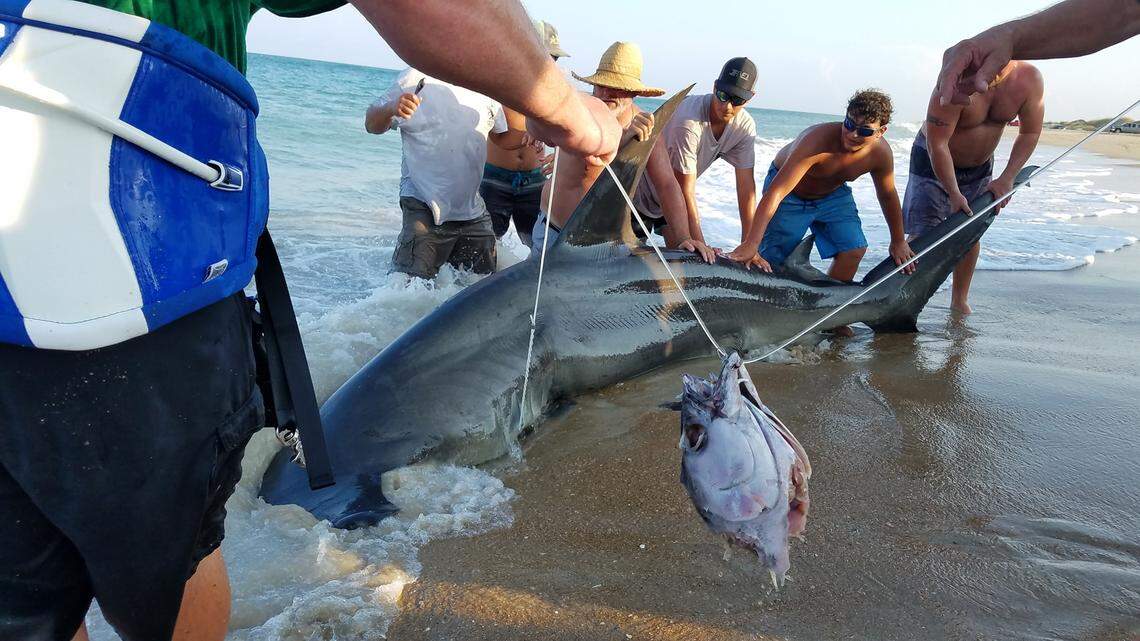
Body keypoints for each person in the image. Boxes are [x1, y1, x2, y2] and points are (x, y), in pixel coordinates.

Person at [0, 1, 622, 641]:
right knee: (168, 556)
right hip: (139, 261)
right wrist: (570, 112)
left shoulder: (487, 107)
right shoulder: (422, 81)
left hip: (59, 277)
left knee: (25, 587)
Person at [534, 41, 717, 262]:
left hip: (603, 243)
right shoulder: (580, 112)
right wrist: (623, 139)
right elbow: (588, 151)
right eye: (601, 84)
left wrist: (683, 237)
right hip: (555, 234)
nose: (606, 92)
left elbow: (667, 184)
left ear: (634, 93)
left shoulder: (645, 126)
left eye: (617, 87)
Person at [726, 90, 915, 283]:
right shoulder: (816, 141)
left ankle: (825, 304)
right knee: (771, 261)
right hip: (791, 195)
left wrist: (898, 241)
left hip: (832, 194)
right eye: (849, 124)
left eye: (865, 131)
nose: (853, 134)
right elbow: (776, 192)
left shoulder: (880, 154)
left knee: (853, 249)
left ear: (881, 131)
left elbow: (887, 195)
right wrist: (751, 243)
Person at [905, 61, 1044, 315]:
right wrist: (953, 192)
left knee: (971, 232)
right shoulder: (955, 80)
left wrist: (1007, 177)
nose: (986, 76)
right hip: (932, 158)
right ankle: (904, 297)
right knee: (922, 233)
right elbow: (938, 144)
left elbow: (1030, 132)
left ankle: (959, 299)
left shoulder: (1029, 79)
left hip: (979, 166)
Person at [366, 69, 520, 278]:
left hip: (472, 210)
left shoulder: (486, 82)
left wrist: (535, 138)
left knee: (481, 287)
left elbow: (501, 136)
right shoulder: (415, 77)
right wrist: (391, 108)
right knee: (408, 291)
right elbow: (371, 124)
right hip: (423, 204)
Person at [633, 57, 758, 249]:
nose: (727, 106)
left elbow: (746, 189)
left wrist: (749, 245)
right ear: (715, 86)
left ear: (750, 97)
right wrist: (701, 245)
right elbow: (685, 189)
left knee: (683, 266)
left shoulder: (744, 127)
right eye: (723, 95)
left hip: (671, 203)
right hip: (636, 196)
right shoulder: (688, 121)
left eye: (737, 100)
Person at [936, 0, 1140, 106]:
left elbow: (1029, 134)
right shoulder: (961, 87)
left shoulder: (1029, 82)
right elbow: (1126, 10)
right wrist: (1010, 36)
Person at [480, 20, 569, 248]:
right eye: (547, 56)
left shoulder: (556, 92)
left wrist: (561, 155)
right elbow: (483, 128)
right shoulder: (496, 83)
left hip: (534, 178)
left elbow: (572, 134)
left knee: (537, 246)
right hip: (495, 178)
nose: (551, 63)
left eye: (554, 59)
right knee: (488, 245)